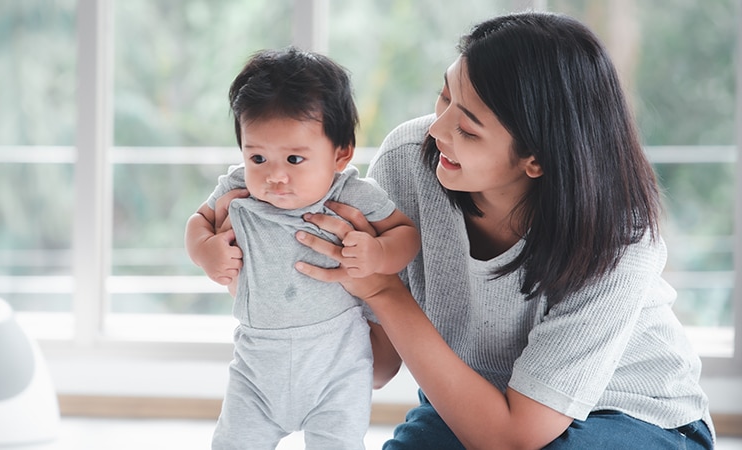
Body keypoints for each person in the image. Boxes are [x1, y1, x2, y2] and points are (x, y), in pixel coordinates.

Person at [290, 11, 715, 450]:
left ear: (535, 158)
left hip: (632, 411)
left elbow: (513, 439)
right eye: (444, 96)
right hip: (480, 401)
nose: (437, 129)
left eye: (468, 129)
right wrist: (279, 278)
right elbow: (377, 365)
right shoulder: (408, 163)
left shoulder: (619, 239)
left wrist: (382, 290)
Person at [184, 47, 420, 449]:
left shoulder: (353, 195)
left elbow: (405, 233)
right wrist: (206, 251)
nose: (274, 176)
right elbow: (197, 223)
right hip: (256, 371)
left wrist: (377, 253)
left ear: (340, 153)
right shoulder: (237, 188)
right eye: (257, 156)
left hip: (337, 368)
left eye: (294, 158)